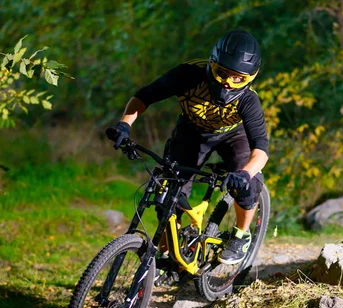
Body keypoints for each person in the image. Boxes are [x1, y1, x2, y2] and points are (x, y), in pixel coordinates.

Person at [106, 30, 269, 265]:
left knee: (248, 184)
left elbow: (261, 150)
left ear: (250, 78)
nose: (227, 82)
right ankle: (170, 255)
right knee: (168, 194)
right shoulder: (188, 75)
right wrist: (124, 125)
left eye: (237, 78)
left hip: (234, 136)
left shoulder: (248, 101)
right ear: (211, 64)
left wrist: (245, 173)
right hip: (192, 132)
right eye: (222, 73)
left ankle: (241, 235)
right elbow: (144, 96)